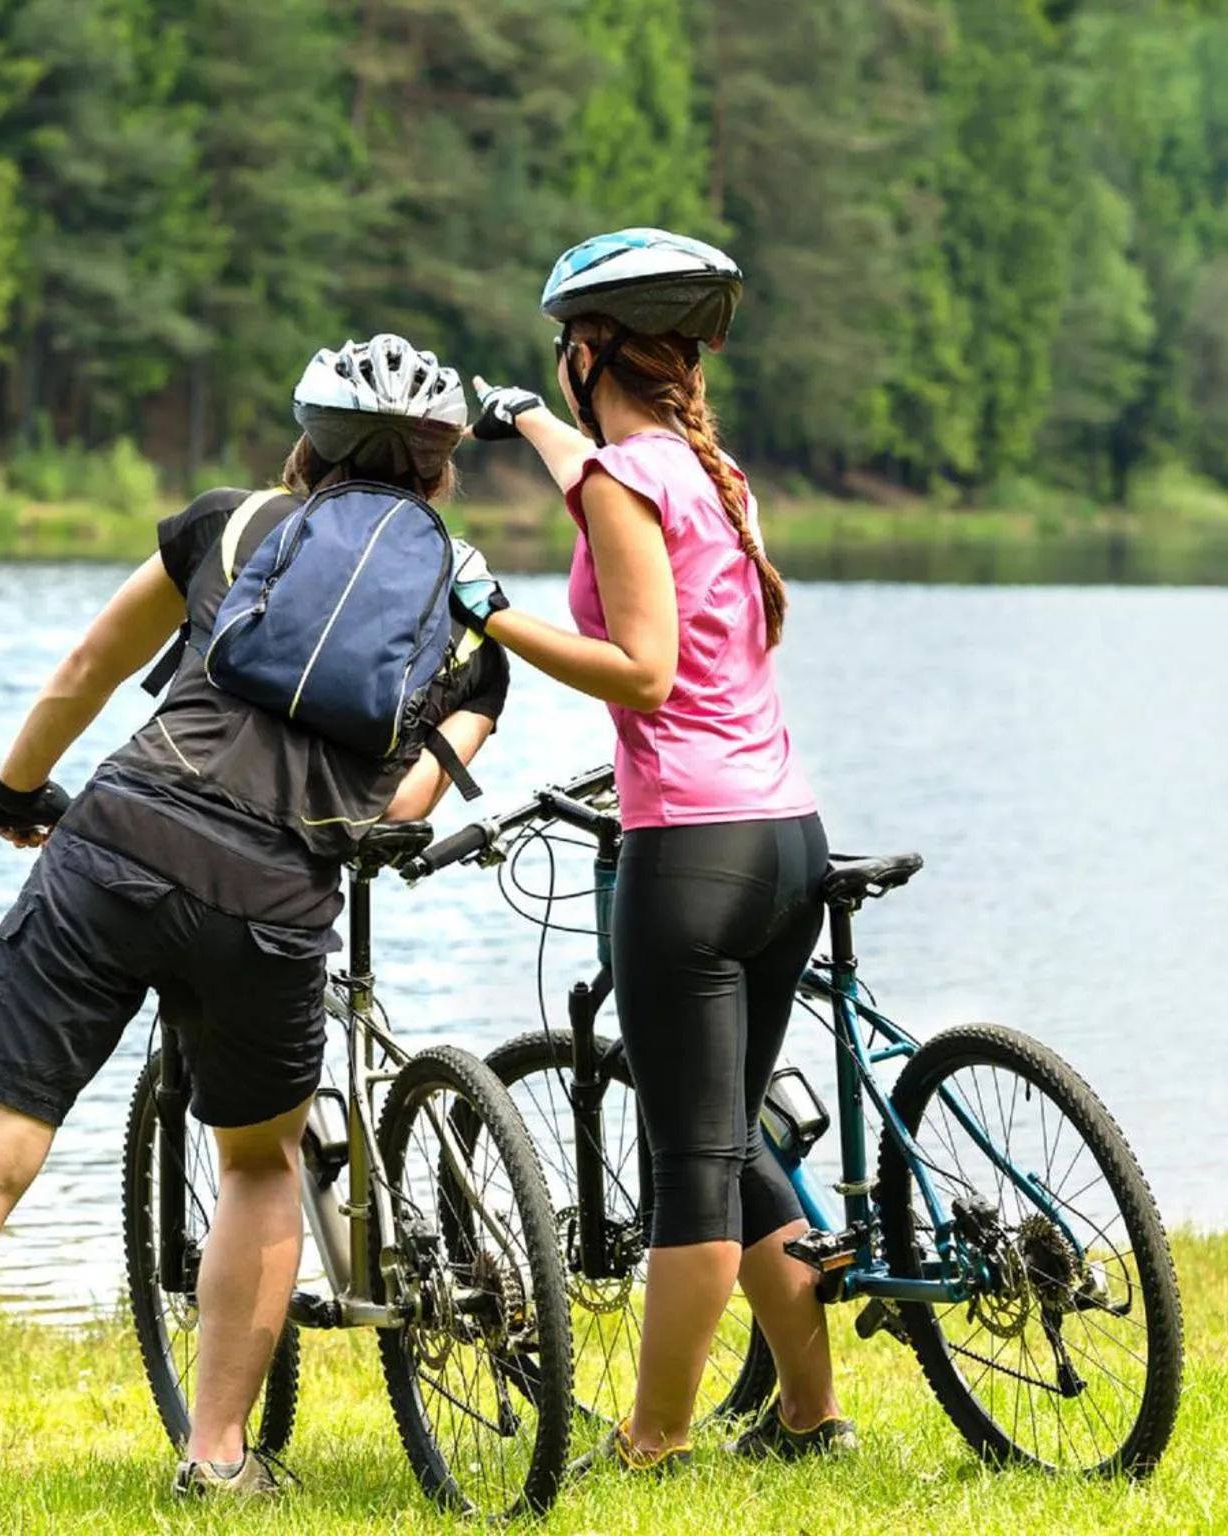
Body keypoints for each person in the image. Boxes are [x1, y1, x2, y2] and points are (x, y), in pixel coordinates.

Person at [0, 334, 510, 1524]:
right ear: (442, 473)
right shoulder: (472, 614)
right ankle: (219, 1455)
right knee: (256, 1162)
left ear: (307, 443)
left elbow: (89, 664)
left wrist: (18, 792)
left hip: (120, 845)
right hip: (276, 898)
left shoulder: (228, 526)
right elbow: (406, 806)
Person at [453, 229, 853, 1471]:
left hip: (688, 855)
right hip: (786, 841)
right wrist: (523, 420)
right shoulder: (701, 471)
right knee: (732, 1145)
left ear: (588, 351)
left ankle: (652, 1440)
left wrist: (491, 614)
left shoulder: (629, 483)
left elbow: (642, 668)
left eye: (557, 359)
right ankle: (807, 1418)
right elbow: (600, 477)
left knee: (691, 1168)